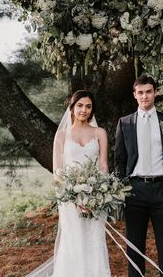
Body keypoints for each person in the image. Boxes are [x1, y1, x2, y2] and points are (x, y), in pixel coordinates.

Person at [26, 90, 111, 277]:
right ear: (71, 108)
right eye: (80, 106)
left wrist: (95, 197)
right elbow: (58, 172)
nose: (84, 110)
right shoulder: (62, 135)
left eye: (88, 106)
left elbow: (103, 166)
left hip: (95, 200)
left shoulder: (100, 133)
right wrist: (74, 198)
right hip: (69, 201)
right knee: (73, 244)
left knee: (94, 242)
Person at [114, 74, 163, 277]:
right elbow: (119, 159)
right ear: (135, 95)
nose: (145, 96)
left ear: (155, 93)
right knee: (134, 247)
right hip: (134, 191)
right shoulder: (125, 123)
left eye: (149, 92)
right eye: (140, 92)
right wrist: (122, 188)